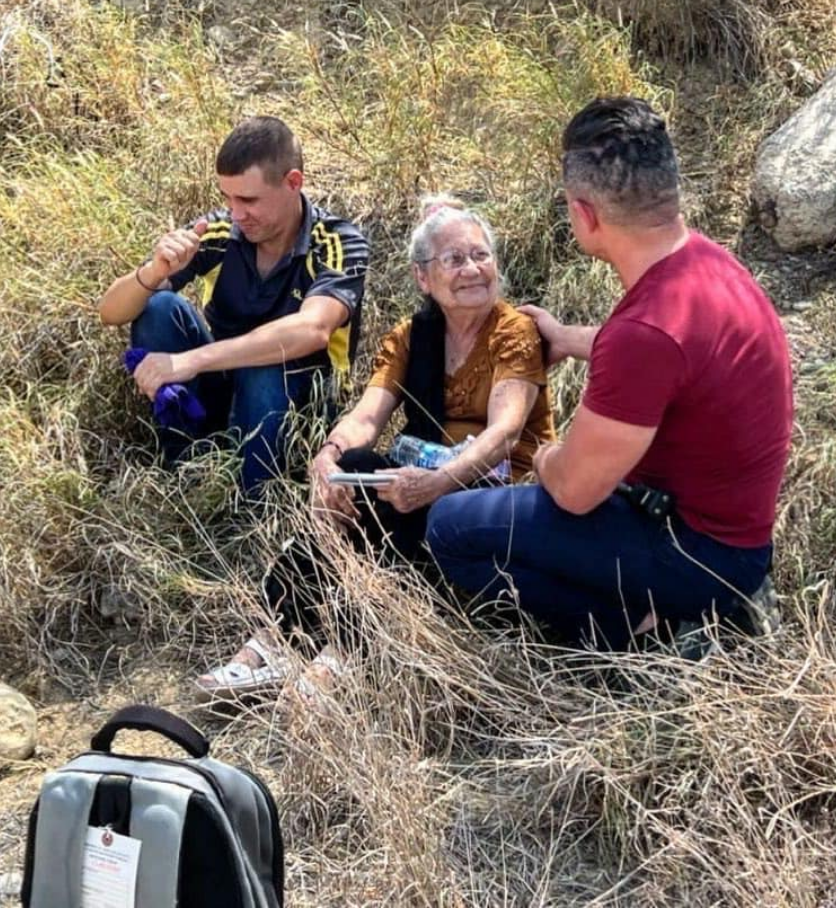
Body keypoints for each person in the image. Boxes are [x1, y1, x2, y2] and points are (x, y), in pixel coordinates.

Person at [425, 97, 791, 650]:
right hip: (733, 532)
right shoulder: (707, 264)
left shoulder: (645, 333)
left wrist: (542, 455)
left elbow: (573, 491)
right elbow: (669, 355)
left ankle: (646, 630)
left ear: (585, 214)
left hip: (700, 554)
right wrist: (569, 339)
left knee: (452, 528)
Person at [193, 199, 555, 701]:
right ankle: (277, 638)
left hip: (497, 490)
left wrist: (438, 480)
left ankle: (345, 648)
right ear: (423, 278)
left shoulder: (513, 332)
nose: (473, 269)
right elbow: (368, 415)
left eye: (481, 255)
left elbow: (505, 433)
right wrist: (330, 455)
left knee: (403, 499)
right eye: (455, 259)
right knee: (357, 471)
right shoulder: (412, 337)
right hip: (426, 476)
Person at [99, 116, 370, 494]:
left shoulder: (337, 241)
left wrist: (189, 362)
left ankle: (255, 503)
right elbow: (110, 312)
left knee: (267, 370)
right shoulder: (223, 230)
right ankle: (186, 472)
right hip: (223, 381)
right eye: (227, 198)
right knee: (157, 307)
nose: (236, 213)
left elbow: (312, 330)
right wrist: (152, 272)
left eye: (248, 199)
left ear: (293, 183)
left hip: (298, 400)